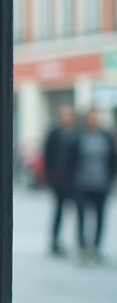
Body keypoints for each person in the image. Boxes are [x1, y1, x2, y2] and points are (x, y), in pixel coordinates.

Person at [67, 108, 117, 264]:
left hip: (101, 183)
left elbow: (112, 160)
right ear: (86, 119)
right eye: (91, 118)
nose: (94, 121)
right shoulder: (78, 137)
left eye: (96, 118)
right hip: (82, 183)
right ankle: (82, 248)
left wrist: (110, 179)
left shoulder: (106, 137)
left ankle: (96, 248)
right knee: (81, 216)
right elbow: (71, 160)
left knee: (101, 217)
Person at [42, 104, 77, 256]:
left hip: (74, 180)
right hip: (58, 180)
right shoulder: (54, 133)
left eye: (69, 115)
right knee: (58, 211)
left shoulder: (76, 133)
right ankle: (55, 241)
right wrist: (50, 176)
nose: (67, 118)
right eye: (64, 115)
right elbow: (47, 155)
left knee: (79, 211)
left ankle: (80, 242)